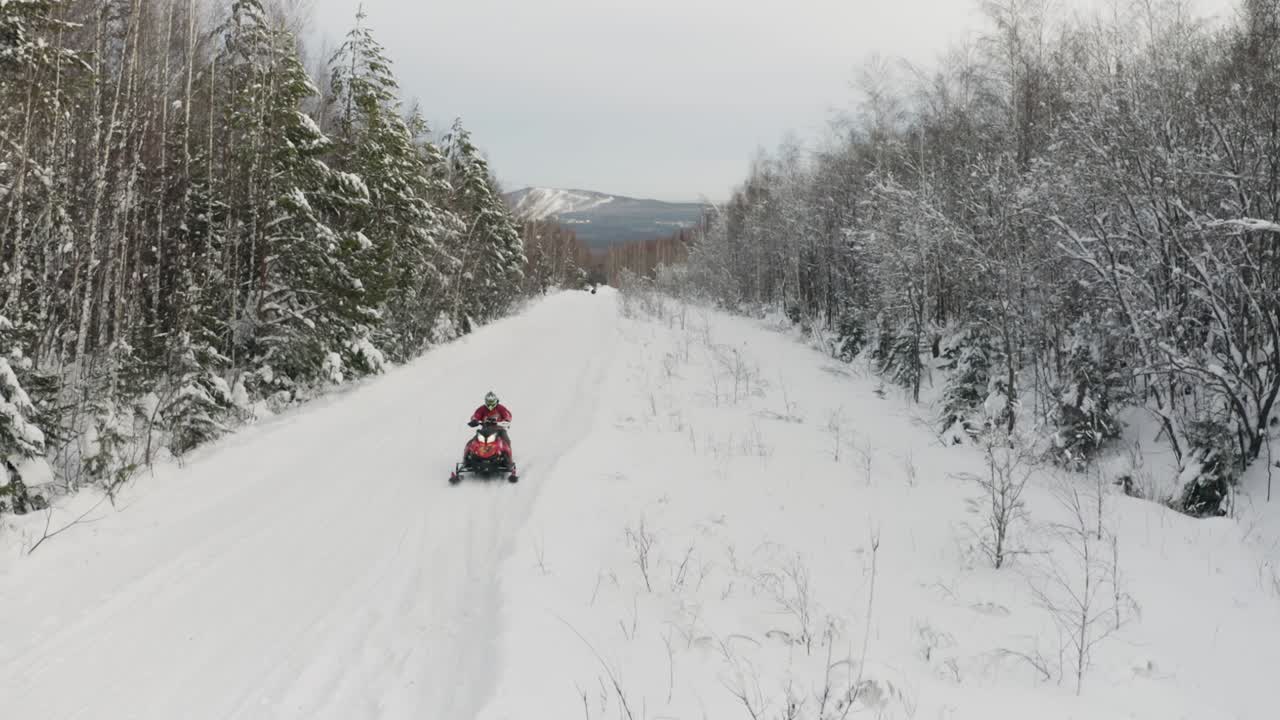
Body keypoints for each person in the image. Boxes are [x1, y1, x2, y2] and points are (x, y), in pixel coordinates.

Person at [469, 391, 513, 461]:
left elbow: (507, 415)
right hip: (485, 430)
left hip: (499, 430)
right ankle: (468, 459)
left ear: (495, 401)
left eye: (492, 402)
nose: (490, 404)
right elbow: (476, 415)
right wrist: (474, 420)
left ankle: (508, 460)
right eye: (488, 402)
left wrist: (506, 420)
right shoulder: (482, 408)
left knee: (506, 441)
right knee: (472, 442)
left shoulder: (500, 408)